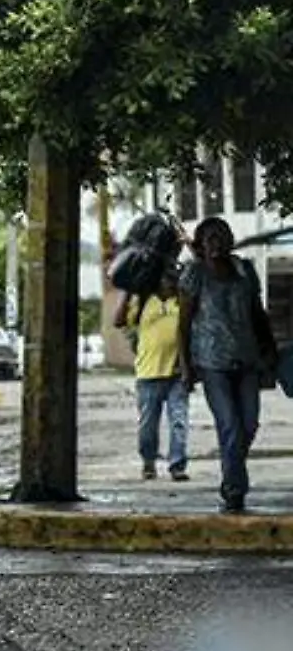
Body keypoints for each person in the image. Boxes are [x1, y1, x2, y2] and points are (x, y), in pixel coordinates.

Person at [178, 217, 279, 513]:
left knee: (248, 424)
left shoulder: (244, 270)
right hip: (211, 363)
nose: (216, 242)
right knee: (230, 424)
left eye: (221, 236)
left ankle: (230, 473)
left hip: (247, 359)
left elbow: (257, 314)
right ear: (200, 244)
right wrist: (185, 367)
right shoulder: (194, 273)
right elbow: (183, 325)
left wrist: (269, 349)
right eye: (209, 237)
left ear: (230, 240)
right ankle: (234, 490)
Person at [114, 267, 190, 481]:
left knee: (179, 421)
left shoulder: (182, 303)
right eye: (166, 278)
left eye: (174, 279)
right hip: (148, 373)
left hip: (176, 373)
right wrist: (128, 291)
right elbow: (118, 321)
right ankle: (148, 461)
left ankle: (177, 465)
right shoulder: (145, 302)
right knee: (148, 424)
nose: (170, 282)